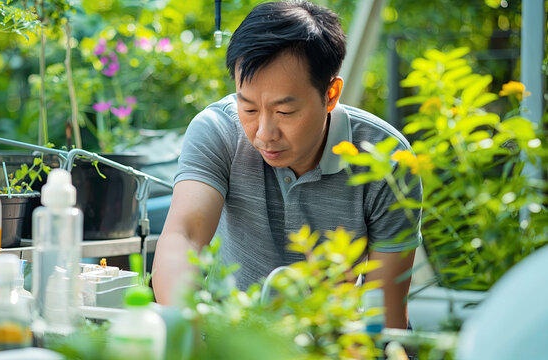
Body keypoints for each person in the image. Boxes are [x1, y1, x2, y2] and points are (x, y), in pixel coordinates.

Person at [152, 0, 421, 329]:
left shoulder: (385, 158)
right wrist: (188, 331)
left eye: (284, 112)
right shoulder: (217, 130)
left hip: (328, 343)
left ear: (331, 94)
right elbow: (184, 238)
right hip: (231, 336)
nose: (264, 133)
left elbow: (386, 308)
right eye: (249, 108)